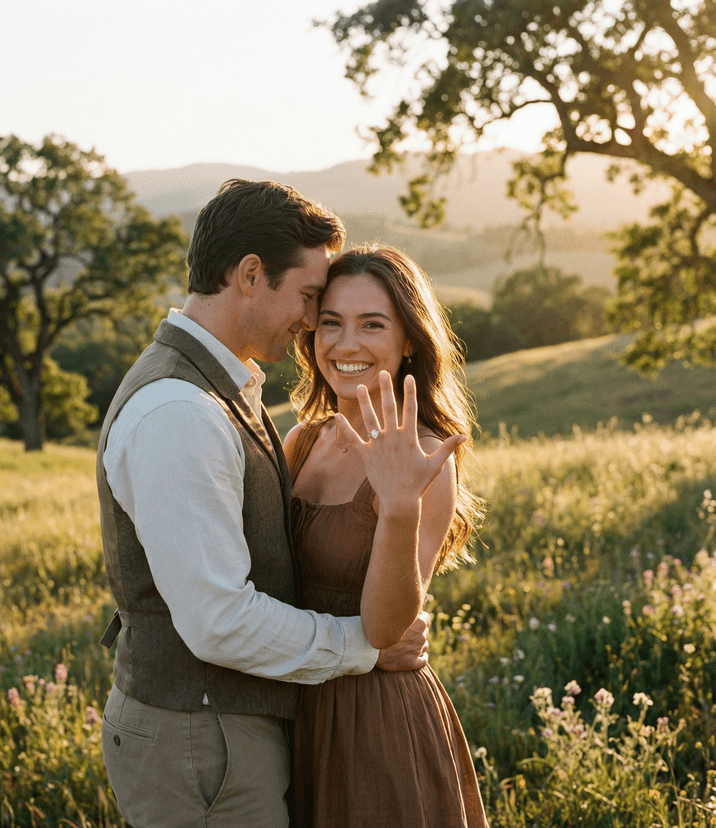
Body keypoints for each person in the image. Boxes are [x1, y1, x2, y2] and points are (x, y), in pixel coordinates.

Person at [95, 181, 440, 828]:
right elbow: (219, 620)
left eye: (369, 323)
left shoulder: (218, 392)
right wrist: (363, 648)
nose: (312, 323)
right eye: (313, 301)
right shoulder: (182, 410)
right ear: (251, 275)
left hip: (266, 726)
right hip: (203, 739)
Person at [285, 244, 489, 827]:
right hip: (289, 704)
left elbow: (384, 630)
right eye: (331, 323)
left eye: (372, 325)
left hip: (371, 718)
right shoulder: (303, 440)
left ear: (409, 343)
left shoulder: (425, 456)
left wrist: (399, 506)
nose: (346, 345)